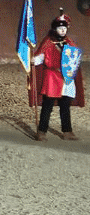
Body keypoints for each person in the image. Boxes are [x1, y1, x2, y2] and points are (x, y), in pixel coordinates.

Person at [30, 11, 83, 141]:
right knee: (47, 105)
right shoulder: (48, 42)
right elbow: (40, 57)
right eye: (60, 28)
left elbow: (74, 58)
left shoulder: (69, 42)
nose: (63, 30)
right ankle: (42, 131)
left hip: (66, 77)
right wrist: (33, 60)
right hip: (52, 77)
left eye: (64, 28)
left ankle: (67, 131)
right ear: (55, 29)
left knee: (65, 104)